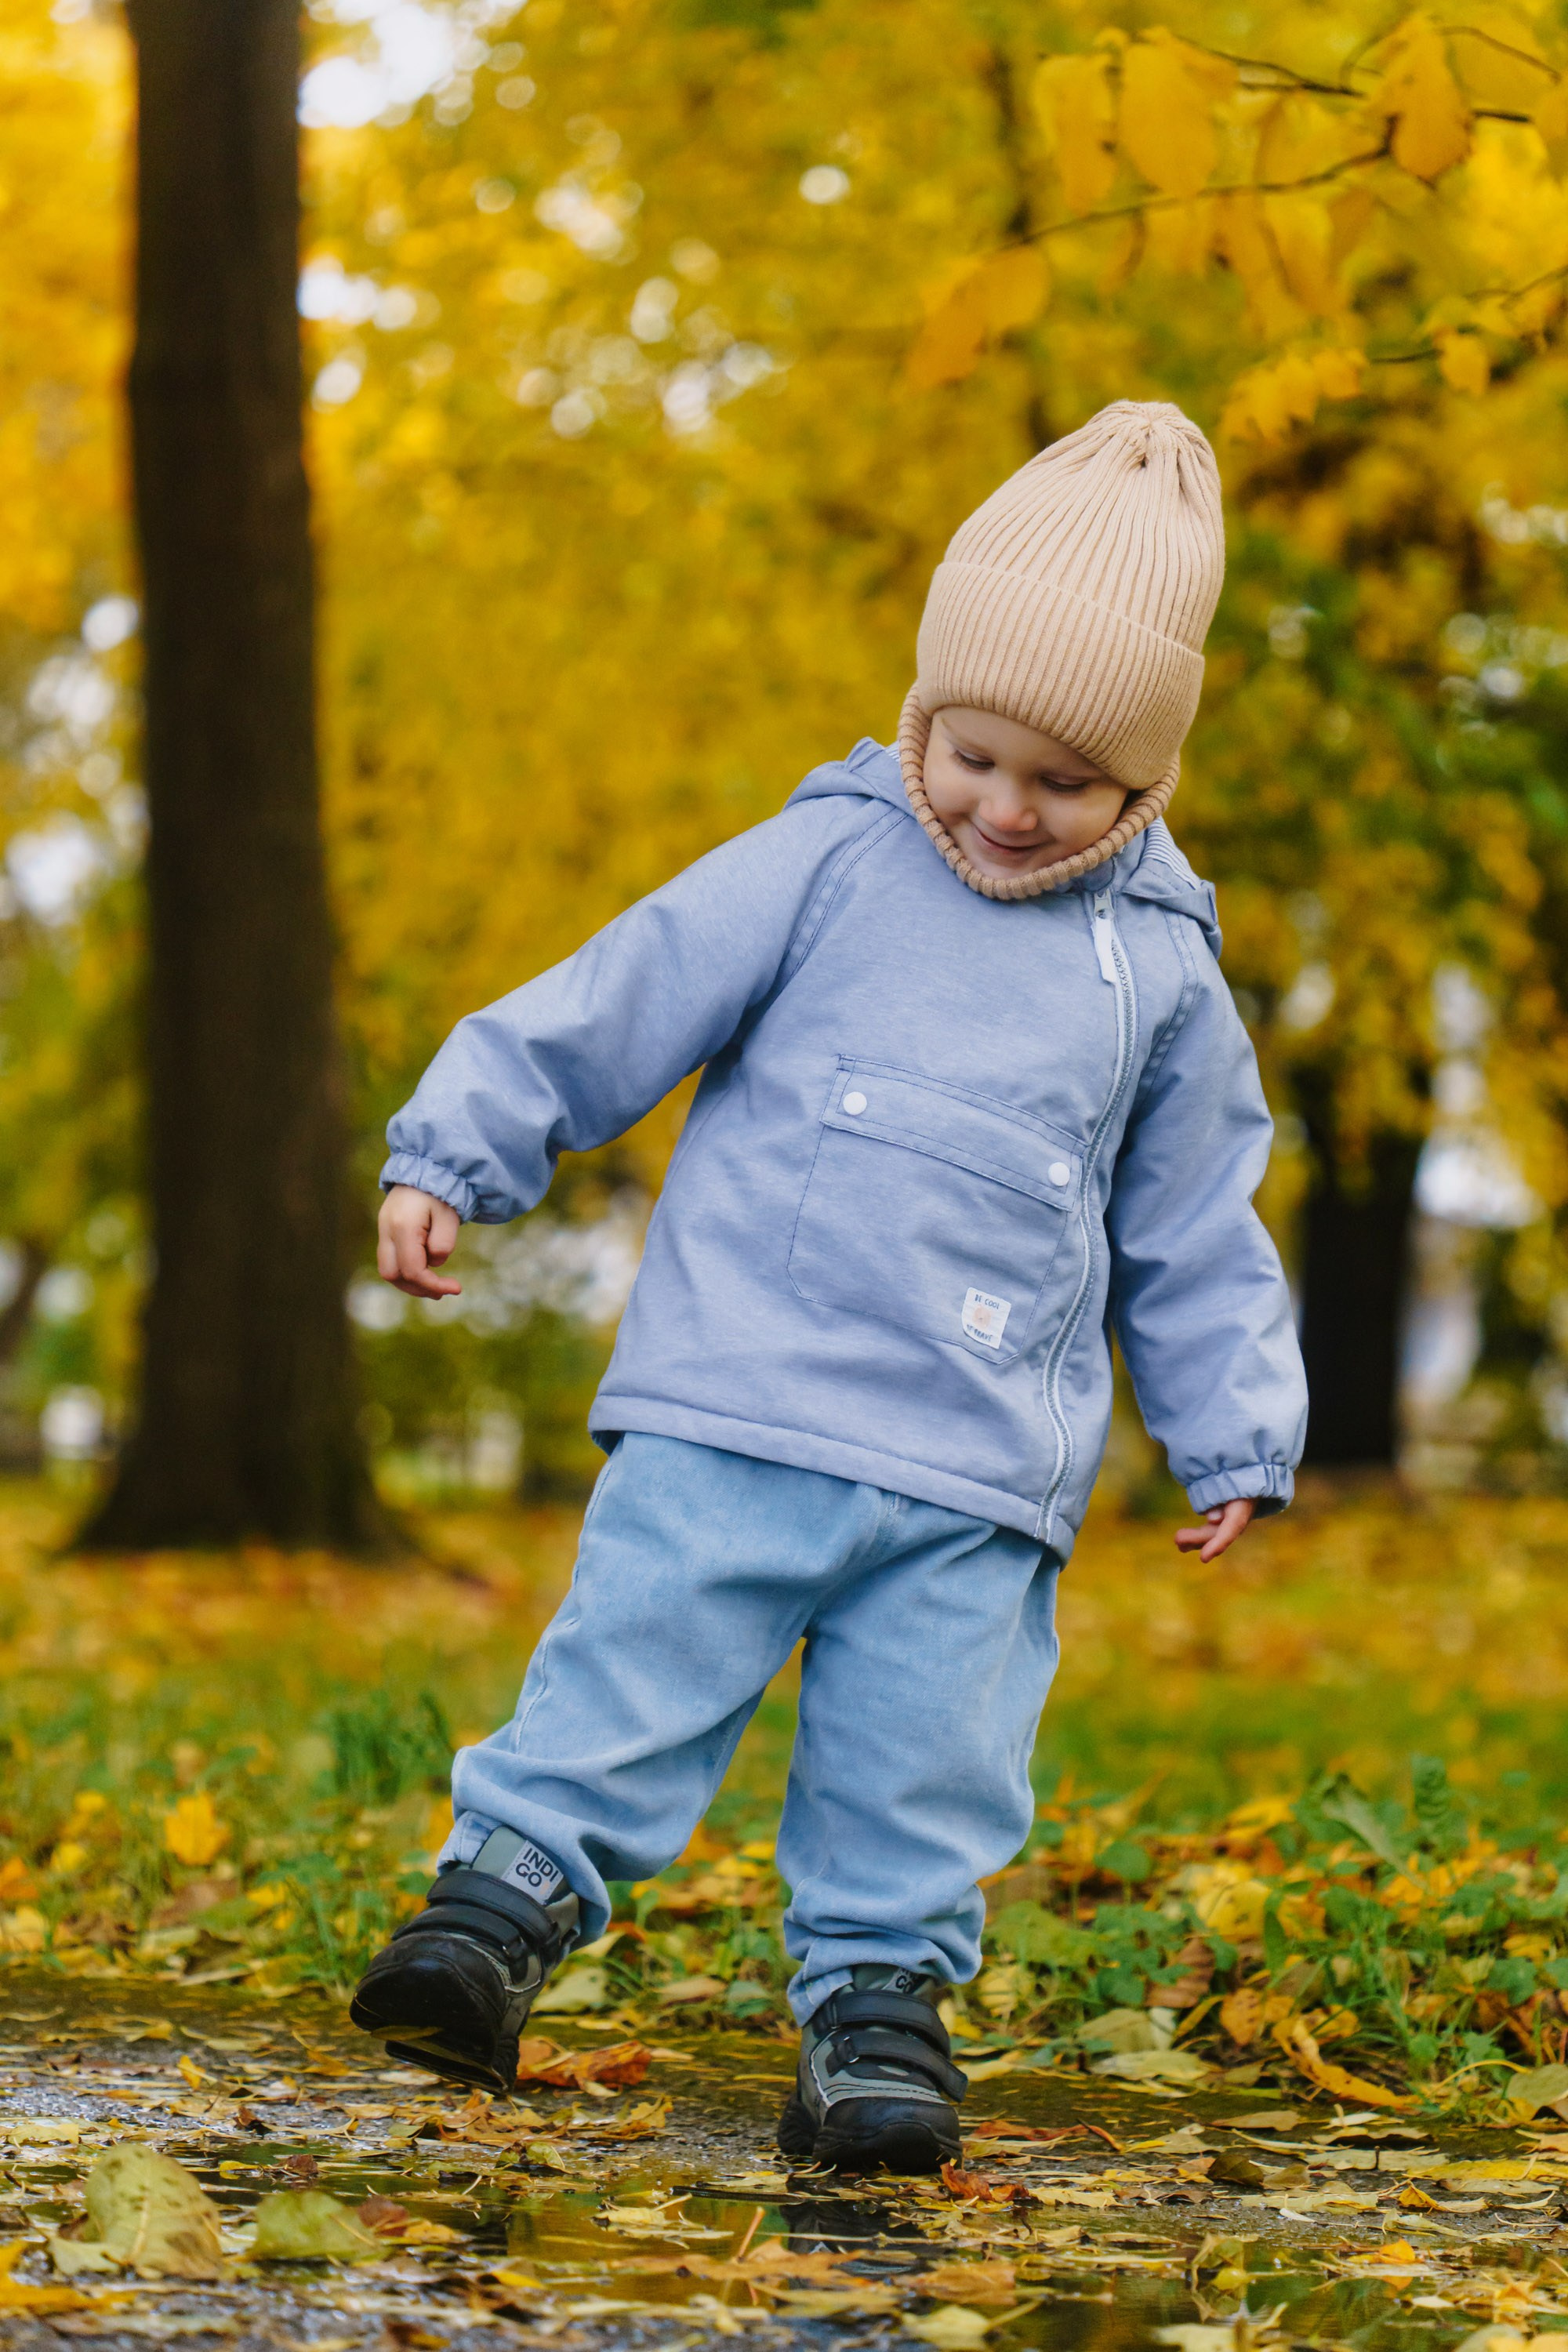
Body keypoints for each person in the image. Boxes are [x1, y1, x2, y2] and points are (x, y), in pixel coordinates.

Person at [348, 400, 1308, 2174]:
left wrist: (1234, 1418)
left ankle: (874, 2020)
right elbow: (620, 992)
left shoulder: (1160, 977)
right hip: (741, 1392)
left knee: (923, 1765)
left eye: (1065, 781)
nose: (1004, 810)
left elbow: (1195, 1218)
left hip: (972, 1468)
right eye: (973, 753)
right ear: (922, 712)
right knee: (631, 1674)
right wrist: (455, 1145)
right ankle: (490, 1922)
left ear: (1147, 783)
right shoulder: (829, 857)